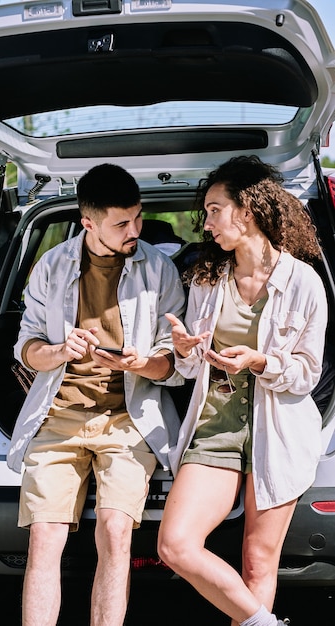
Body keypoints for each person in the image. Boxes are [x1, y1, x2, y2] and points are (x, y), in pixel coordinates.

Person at [7, 163, 186, 626]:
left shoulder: (159, 268)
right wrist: (57, 351)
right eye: (122, 223)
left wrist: (138, 363)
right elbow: (26, 347)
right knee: (44, 537)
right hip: (59, 416)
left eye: (138, 218)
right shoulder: (52, 265)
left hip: (129, 418)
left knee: (115, 531)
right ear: (88, 223)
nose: (136, 231)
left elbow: (175, 362)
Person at [157, 155, 327, 626]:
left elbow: (307, 373)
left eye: (214, 210)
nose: (206, 224)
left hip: (281, 432)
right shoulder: (208, 279)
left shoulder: (304, 282)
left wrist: (261, 362)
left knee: (258, 562)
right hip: (216, 426)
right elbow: (190, 369)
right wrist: (186, 349)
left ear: (247, 210)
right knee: (175, 545)